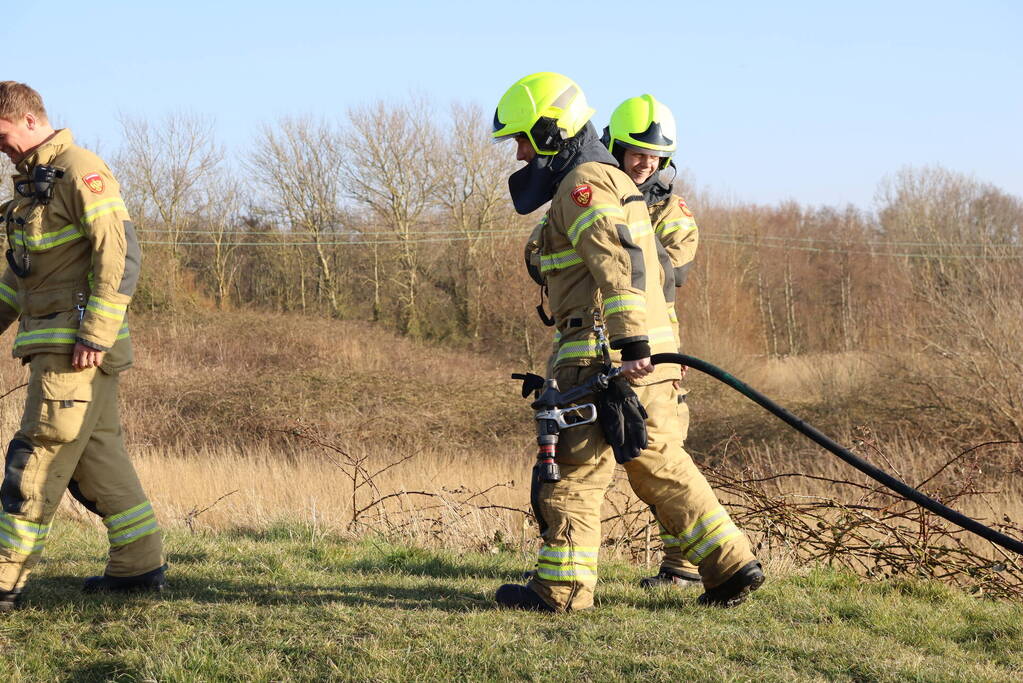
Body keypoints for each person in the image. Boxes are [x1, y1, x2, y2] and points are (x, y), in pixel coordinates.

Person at [492, 72, 763, 612]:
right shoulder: (613, 182)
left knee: (575, 470)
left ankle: (562, 591)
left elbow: (615, 260)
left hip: (600, 357)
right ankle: (730, 565)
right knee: (658, 460)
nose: (519, 153)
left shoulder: (583, 184)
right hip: (646, 357)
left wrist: (629, 341)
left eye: (522, 138)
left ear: (550, 132)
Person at [0, 82, 165, 612]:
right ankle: (139, 565)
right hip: (60, 348)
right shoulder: (35, 186)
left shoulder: (80, 170)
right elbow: (21, 277)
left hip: (76, 352)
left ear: (29, 119)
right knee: (98, 458)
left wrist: (95, 334)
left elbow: (120, 256)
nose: (0, 146)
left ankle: (4, 577)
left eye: (1, 133)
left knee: (38, 456)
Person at [602, 94, 707, 590]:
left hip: (653, 354)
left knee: (663, 460)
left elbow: (665, 272)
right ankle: (566, 566)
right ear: (614, 149)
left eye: (655, 156)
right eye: (636, 152)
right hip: (594, 349)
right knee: (575, 463)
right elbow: (545, 253)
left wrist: (614, 232)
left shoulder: (673, 211)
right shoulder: (588, 195)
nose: (645, 163)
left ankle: (683, 566)